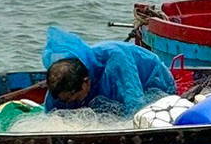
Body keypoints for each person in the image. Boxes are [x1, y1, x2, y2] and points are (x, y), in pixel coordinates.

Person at [42, 26, 176, 114]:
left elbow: (135, 103)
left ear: (86, 82)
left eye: (74, 98)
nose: (71, 103)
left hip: (152, 80)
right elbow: (50, 111)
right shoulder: (61, 79)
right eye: (65, 100)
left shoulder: (117, 60)